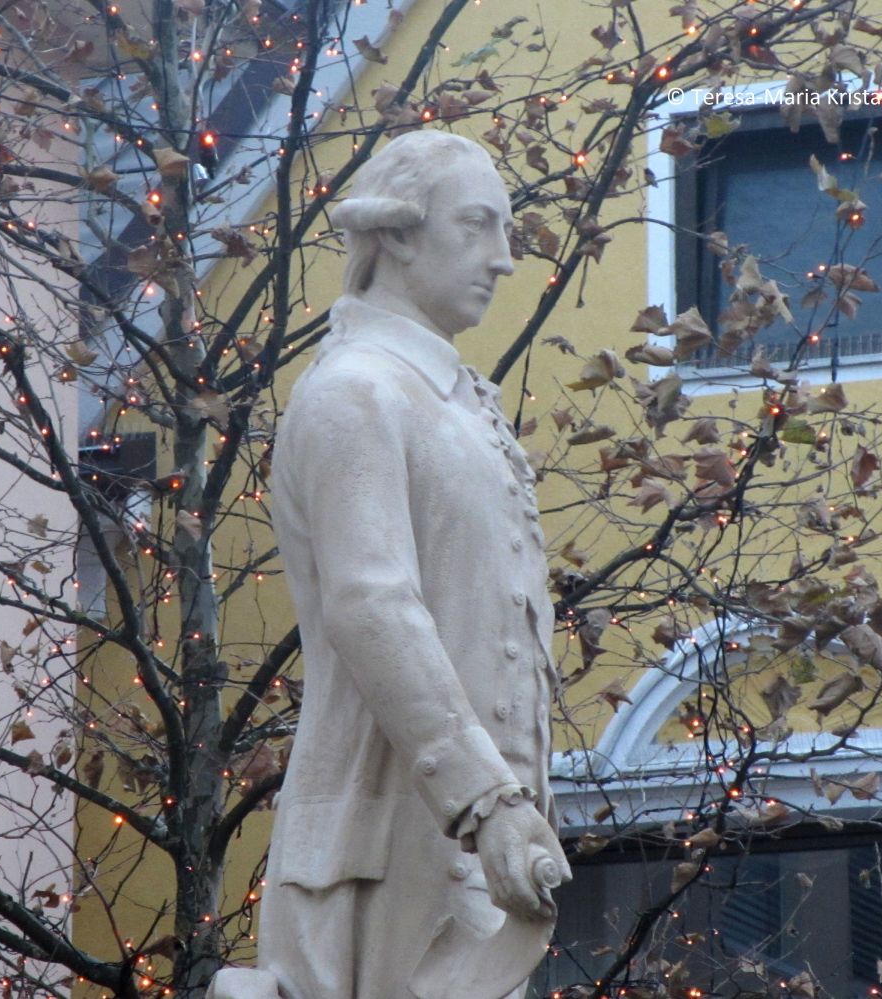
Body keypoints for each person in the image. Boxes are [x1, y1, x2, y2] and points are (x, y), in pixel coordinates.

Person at [256, 129, 571, 999]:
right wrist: (490, 802)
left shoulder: (457, 403)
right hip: (384, 857)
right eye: (477, 227)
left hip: (474, 859)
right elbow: (370, 604)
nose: (504, 260)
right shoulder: (355, 390)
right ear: (395, 234)